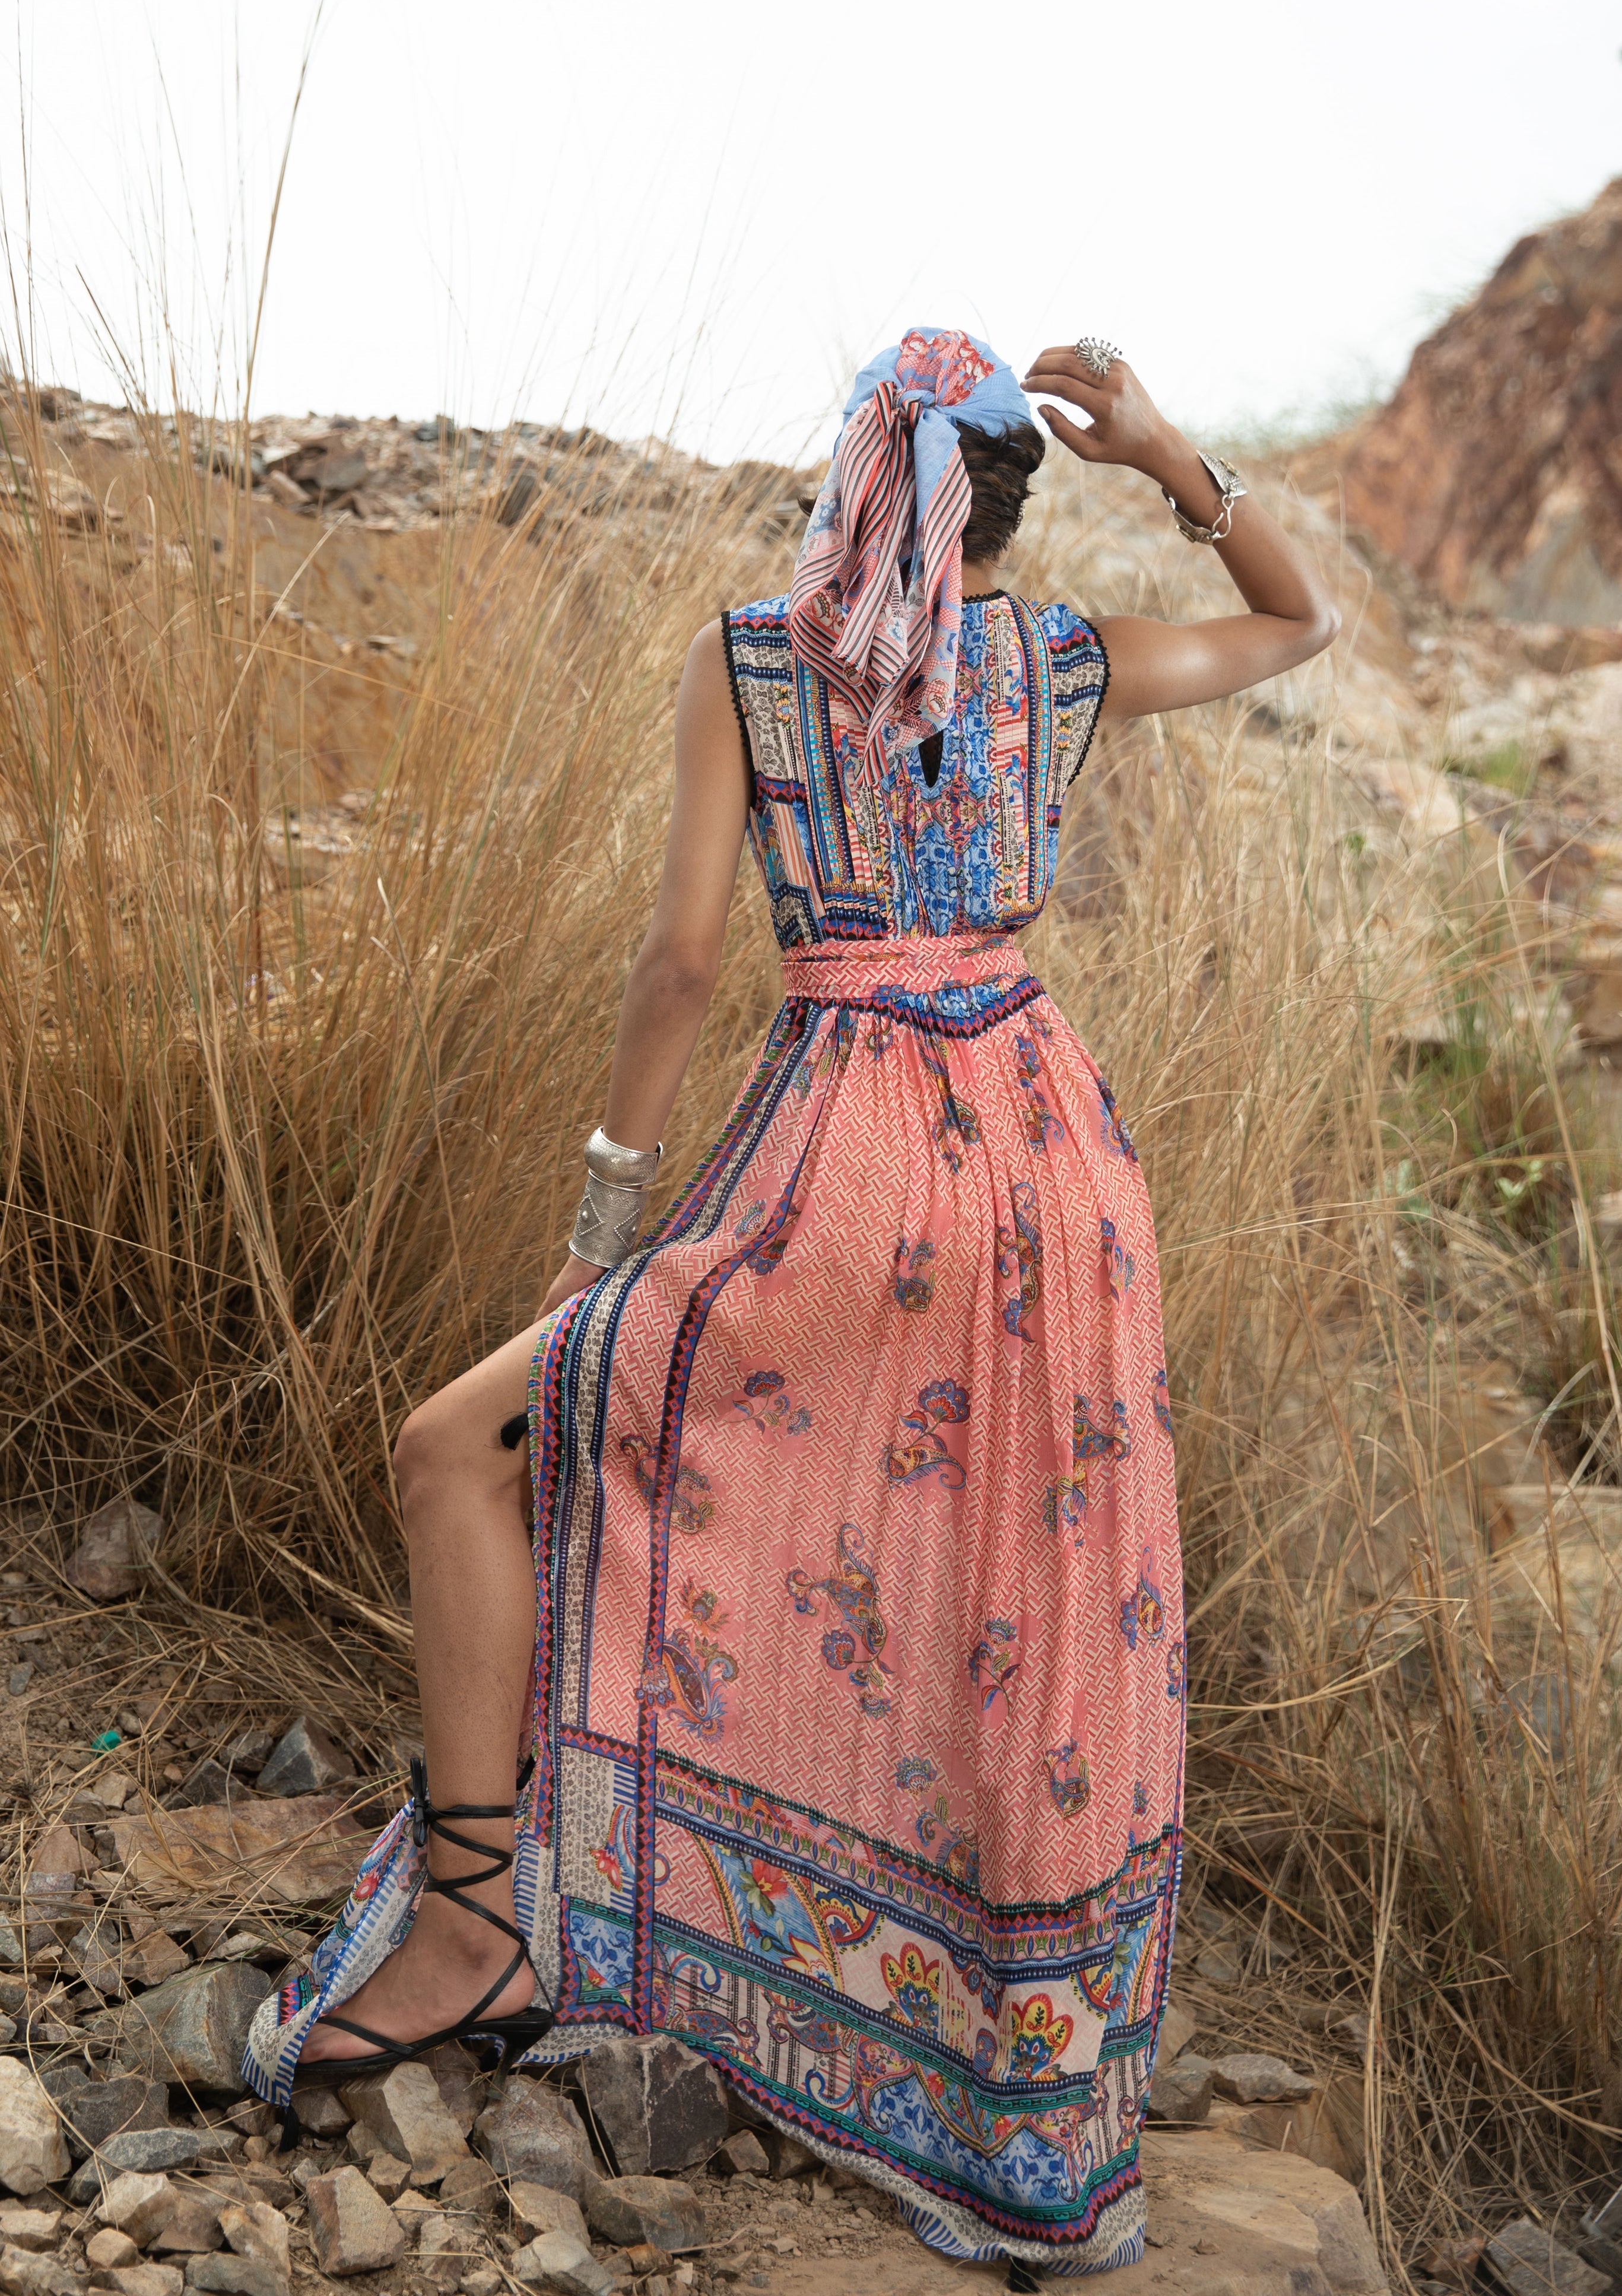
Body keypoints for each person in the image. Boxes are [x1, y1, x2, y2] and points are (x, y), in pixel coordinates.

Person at [244, 329, 1338, 2283]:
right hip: (1053, 1176)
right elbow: (1297, 623)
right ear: (1009, 503)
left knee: (456, 1447)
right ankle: (1012, 2084)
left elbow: (680, 965)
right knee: (998, 1595)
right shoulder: (1060, 663)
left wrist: (605, 1222)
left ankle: (481, 1919)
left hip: (848, 1167)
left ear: (857, 478)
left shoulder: (754, 661)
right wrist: (1173, 453)